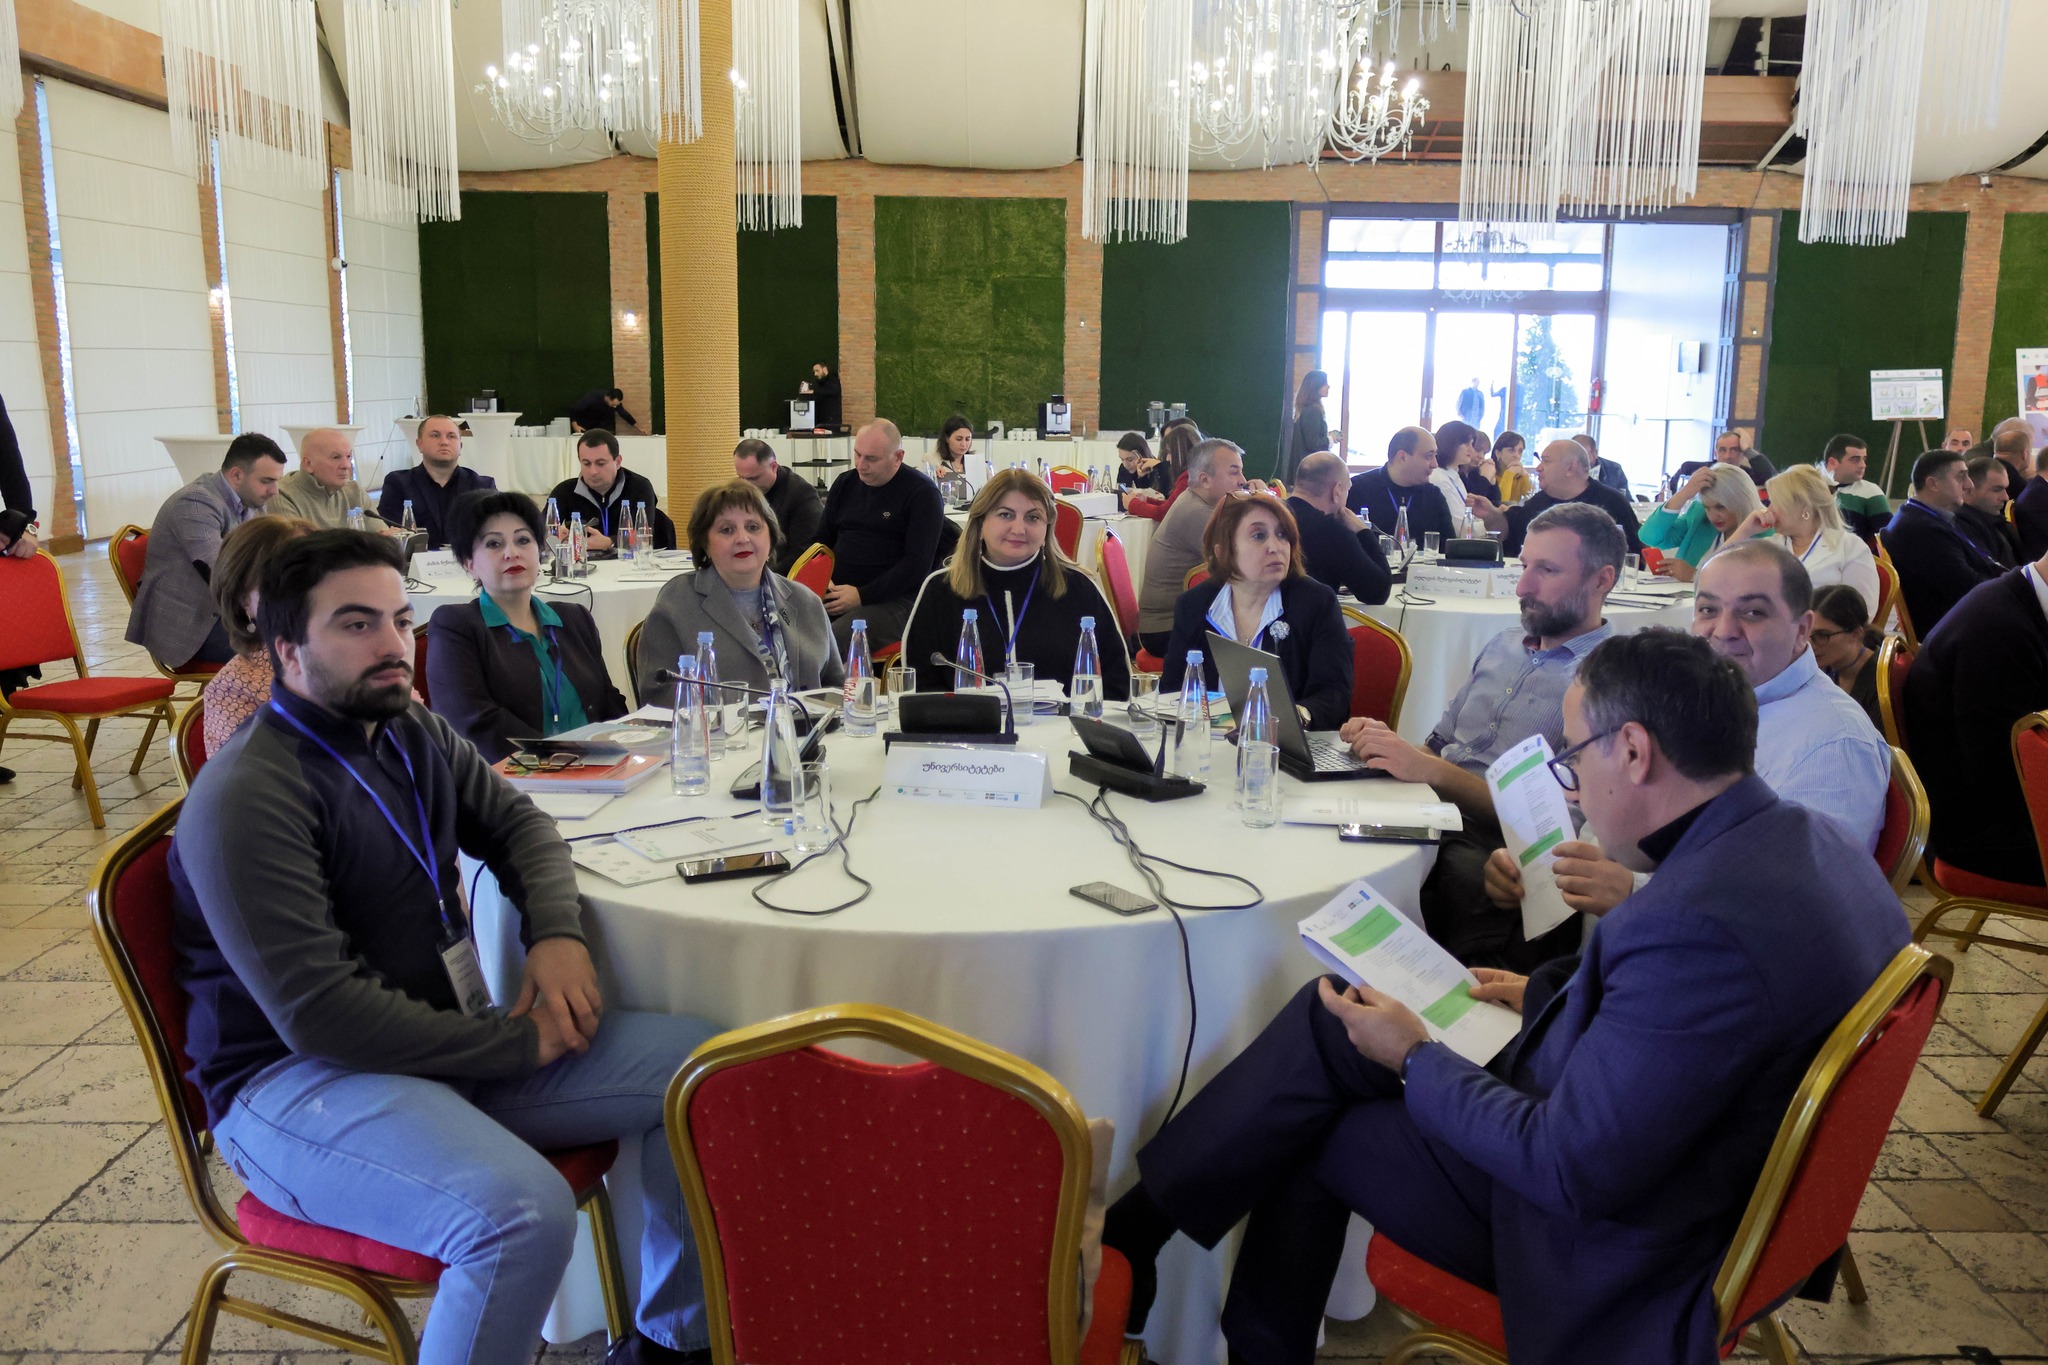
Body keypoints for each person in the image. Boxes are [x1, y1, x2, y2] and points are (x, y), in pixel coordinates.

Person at [1100, 627, 1905, 1365]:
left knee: (1316, 1124)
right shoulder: (1814, 843)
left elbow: (1565, 1165)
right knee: (1335, 1010)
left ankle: (1177, 1283)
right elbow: (1682, 1032)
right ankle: (1139, 1231)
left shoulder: (1695, 927)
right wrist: (1544, 993)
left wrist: (1415, 1057)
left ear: (1634, 750)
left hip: (1613, 1238)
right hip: (1661, 1138)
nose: (1572, 790)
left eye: (1573, 757)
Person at [171, 529, 719, 1365]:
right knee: (520, 1215)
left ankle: (671, 1343)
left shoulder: (404, 728)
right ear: (284, 648)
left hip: (435, 1043)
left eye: (400, 619)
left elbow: (520, 823)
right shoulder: (249, 794)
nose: (394, 645)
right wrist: (515, 1043)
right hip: (296, 1083)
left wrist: (556, 933)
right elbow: (323, 1015)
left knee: (703, 1073)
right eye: (356, 624)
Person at [1342, 503, 1623, 969]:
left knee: (1453, 880)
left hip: (1500, 843)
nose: (1523, 586)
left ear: (1602, 580)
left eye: (1547, 570)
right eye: (1524, 566)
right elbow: (1438, 746)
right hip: (1434, 810)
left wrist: (1429, 770)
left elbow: (1560, 826)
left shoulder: (1607, 680)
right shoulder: (1504, 644)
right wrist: (1383, 749)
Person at [1691, 541, 1889, 851]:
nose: (1724, 630)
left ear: (1802, 630)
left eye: (1753, 612)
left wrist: (1632, 879)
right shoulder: (1708, 698)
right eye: (1708, 610)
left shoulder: (1834, 747)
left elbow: (1789, 877)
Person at [427, 491, 628, 764]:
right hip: (515, 778)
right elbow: (475, 723)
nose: (512, 553)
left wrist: (630, 750)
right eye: (494, 544)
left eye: (523, 540)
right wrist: (564, 761)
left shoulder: (574, 618)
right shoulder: (456, 626)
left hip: (599, 770)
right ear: (469, 564)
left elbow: (609, 703)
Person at [901, 469, 1130, 699]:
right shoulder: (941, 589)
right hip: (968, 722)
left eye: (1033, 517)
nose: (1019, 529)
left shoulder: (1079, 589)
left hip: (1065, 722)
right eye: (1005, 515)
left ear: (1047, 528)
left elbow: (1116, 684)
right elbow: (921, 688)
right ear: (980, 523)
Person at [1906, 548, 2048, 887]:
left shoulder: (2018, 600)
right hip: (1980, 832)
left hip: (2004, 805)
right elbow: (1998, 777)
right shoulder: (2000, 631)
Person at [637, 480, 843, 702]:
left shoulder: (805, 601)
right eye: (727, 530)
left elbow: (836, 688)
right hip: (718, 725)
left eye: (753, 527)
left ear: (771, 536)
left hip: (810, 724)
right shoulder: (676, 604)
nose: (743, 539)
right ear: (705, 544)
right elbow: (658, 698)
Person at [1159, 494, 1352, 729]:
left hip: (1284, 744)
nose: (1275, 547)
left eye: (1282, 535)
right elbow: (1172, 689)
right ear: (1223, 551)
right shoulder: (1195, 604)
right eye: (1259, 536)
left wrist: (1297, 717)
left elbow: (1334, 695)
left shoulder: (1316, 602)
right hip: (1204, 738)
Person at [126, 433, 289, 672]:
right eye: (267, 481)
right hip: (191, 625)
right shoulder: (195, 502)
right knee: (283, 651)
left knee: (303, 637)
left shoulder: (252, 501)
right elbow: (219, 571)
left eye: (276, 481)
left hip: (226, 612)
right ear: (236, 475)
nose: (275, 491)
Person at [812, 418, 947, 651]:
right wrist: (823, 578)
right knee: (790, 626)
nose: (861, 465)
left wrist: (861, 596)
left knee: (834, 639)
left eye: (871, 459)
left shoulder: (922, 494)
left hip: (897, 600)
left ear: (898, 457)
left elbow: (916, 566)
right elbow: (821, 542)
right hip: (837, 593)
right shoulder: (845, 483)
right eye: (857, 455)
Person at [201, 514, 315, 756]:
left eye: (316, 579)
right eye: (285, 583)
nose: (307, 595)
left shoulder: (360, 655)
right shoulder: (234, 691)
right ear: (243, 601)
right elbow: (246, 778)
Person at [1137, 439, 1248, 655]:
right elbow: (1243, 567)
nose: (1243, 480)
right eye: (1234, 472)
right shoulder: (1197, 513)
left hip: (1174, 621)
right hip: (1165, 629)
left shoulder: (1195, 501)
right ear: (1205, 480)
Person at [1722, 465, 1881, 616]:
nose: (1769, 510)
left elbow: (1862, 612)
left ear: (1803, 508)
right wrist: (1745, 530)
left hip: (1824, 633)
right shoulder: (1771, 546)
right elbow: (1717, 574)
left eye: (1775, 503)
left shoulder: (1851, 548)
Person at [1880, 449, 2004, 637]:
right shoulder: (1920, 529)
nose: (1969, 485)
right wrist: (2013, 586)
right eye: (1961, 477)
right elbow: (1967, 586)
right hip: (1958, 630)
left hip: (1962, 619)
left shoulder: (1923, 518)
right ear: (1933, 484)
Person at [1472, 439, 1642, 558]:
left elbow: (1633, 558)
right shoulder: (1538, 503)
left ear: (1570, 468)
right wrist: (1491, 515)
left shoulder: (1611, 503)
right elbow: (1509, 532)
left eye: (1546, 461)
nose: (1538, 468)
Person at [1284, 452, 1392, 605]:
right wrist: (1363, 531)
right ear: (1337, 491)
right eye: (1347, 490)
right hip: (1309, 618)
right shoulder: (1330, 531)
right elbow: (1377, 592)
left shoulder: (1272, 516)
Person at [377, 416, 498, 550]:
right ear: (419, 444)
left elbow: (495, 532)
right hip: (414, 560)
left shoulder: (482, 486)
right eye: (435, 435)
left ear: (460, 446)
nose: (444, 442)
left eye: (451, 436)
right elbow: (395, 531)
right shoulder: (398, 483)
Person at [546, 430, 672, 555]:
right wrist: (556, 537)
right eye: (586, 464)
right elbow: (539, 531)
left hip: (628, 562)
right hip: (584, 563)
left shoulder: (639, 487)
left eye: (600, 463)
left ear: (617, 462)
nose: (593, 471)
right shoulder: (565, 491)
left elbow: (643, 535)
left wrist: (610, 542)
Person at [1639, 463, 1762, 583]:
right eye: (1707, 507)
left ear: (1741, 502)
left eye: (1720, 507)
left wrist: (1695, 575)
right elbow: (1649, 537)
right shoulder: (1700, 516)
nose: (1713, 516)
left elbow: (1751, 584)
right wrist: (1684, 493)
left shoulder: (1763, 532)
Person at [1346, 427, 1456, 546]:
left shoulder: (1433, 496)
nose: (1435, 464)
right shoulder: (1358, 489)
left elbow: (1449, 548)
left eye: (1435, 456)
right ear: (1402, 457)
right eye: (1428, 456)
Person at [273, 428, 395, 533]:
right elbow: (297, 550)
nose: (346, 465)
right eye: (336, 457)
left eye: (349, 456)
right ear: (308, 463)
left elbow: (383, 538)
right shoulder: (282, 495)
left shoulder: (355, 491)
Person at [732, 438, 821, 574]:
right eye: (741, 478)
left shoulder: (802, 495)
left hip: (782, 575)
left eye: (753, 478)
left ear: (774, 467)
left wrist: (760, 576)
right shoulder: (741, 490)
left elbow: (804, 554)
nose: (746, 486)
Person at [1809, 583, 1883, 731]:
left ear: (1856, 634)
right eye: (1806, 634)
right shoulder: (1825, 669)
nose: (1810, 645)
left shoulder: (1880, 685)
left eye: (1822, 635)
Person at [1124, 421, 1201, 524]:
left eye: (1170, 453)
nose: (1167, 458)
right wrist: (1146, 500)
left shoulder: (1187, 478)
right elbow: (1170, 505)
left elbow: (1165, 513)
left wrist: (1132, 504)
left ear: (1180, 453)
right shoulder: (1191, 474)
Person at [1821, 434, 1890, 541]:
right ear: (1832, 463)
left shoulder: (1871, 493)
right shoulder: (1808, 489)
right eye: (1855, 459)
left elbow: (1885, 541)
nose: (1863, 465)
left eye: (1864, 459)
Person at [1957, 453, 2021, 570]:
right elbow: (1994, 573)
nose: (2005, 497)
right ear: (1968, 491)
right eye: (1997, 490)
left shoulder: (1996, 523)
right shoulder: (1963, 527)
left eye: (2005, 489)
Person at [1664, 429, 1774, 495]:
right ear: (1715, 453)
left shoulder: (1751, 477)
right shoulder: (1690, 470)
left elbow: (1774, 481)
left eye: (1734, 450)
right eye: (1722, 450)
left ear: (1742, 454)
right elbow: (1666, 496)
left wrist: (1747, 449)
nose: (1728, 456)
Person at [1284, 371, 1333, 484]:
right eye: (1325, 383)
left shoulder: (1306, 409)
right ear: (1316, 386)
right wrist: (1331, 439)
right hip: (1311, 472)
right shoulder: (1313, 410)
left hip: (1305, 469)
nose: (1328, 386)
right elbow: (1313, 443)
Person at [1433, 420, 1493, 509]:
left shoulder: (1455, 474)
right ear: (1451, 444)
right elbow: (1459, 517)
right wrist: (1485, 477)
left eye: (1472, 444)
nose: (1471, 450)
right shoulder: (1440, 478)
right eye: (1467, 444)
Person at [1114, 431, 1169, 506]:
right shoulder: (1124, 468)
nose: (1125, 464)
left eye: (1130, 460)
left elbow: (1158, 499)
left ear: (1142, 455)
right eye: (1122, 459)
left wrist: (1141, 478)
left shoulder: (1158, 469)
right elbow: (1122, 493)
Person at [567, 386, 635, 434]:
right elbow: (574, 409)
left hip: (598, 426)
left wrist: (638, 427)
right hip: (583, 425)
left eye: (616, 405)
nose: (615, 407)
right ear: (608, 398)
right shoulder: (593, 396)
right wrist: (575, 425)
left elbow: (624, 414)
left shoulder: (615, 403)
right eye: (613, 404)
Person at [1491, 430, 1532, 505]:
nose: (1517, 456)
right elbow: (1502, 504)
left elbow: (1531, 502)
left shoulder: (1520, 475)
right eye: (1511, 450)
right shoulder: (1490, 474)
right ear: (1498, 453)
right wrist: (1509, 474)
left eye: (1520, 451)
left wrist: (1525, 475)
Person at [799, 362, 842, 429]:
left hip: (831, 419)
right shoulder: (818, 382)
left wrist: (813, 391)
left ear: (824, 369)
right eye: (814, 371)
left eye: (817, 371)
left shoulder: (833, 380)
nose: (815, 374)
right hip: (819, 419)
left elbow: (830, 391)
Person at [932, 414, 975, 481]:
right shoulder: (933, 461)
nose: (964, 444)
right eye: (959, 439)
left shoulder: (976, 463)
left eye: (967, 439)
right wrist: (934, 475)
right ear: (947, 438)